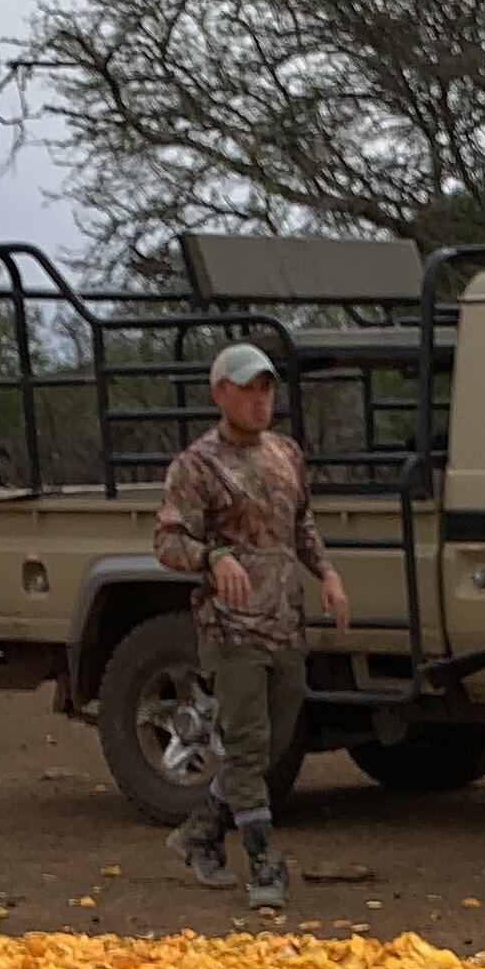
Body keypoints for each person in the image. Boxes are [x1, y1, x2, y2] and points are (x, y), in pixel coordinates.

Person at [152, 343, 349, 911]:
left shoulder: (285, 454)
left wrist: (328, 574)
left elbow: (302, 523)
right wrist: (214, 557)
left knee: (272, 743)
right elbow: (168, 540)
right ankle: (266, 864)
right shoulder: (197, 464)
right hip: (231, 629)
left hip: (285, 622)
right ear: (220, 394)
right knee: (247, 743)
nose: (261, 399)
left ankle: (197, 835)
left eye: (267, 388)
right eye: (248, 388)